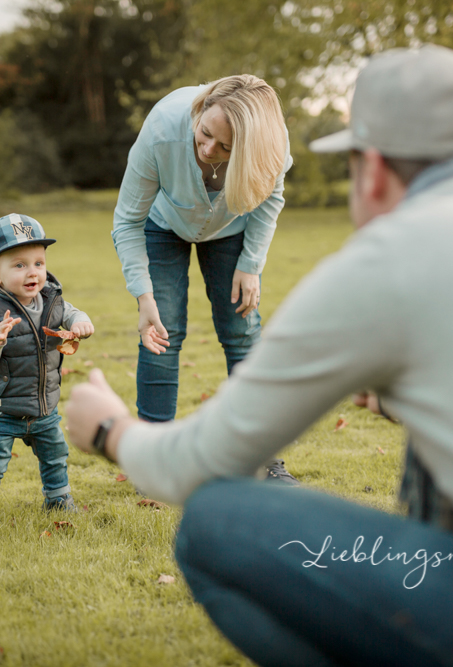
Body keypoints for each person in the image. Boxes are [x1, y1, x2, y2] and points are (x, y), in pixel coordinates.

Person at [66, 45, 453, 667]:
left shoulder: (389, 261)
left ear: (371, 169)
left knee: (216, 520)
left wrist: (110, 430)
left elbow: (201, 464)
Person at [111, 73, 298, 483]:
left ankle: (264, 458)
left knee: (242, 330)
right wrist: (144, 298)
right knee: (164, 331)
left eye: (225, 147)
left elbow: (271, 199)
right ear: (199, 112)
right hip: (163, 225)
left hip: (231, 230)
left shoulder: (272, 145)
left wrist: (251, 264)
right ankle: (152, 459)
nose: (208, 148)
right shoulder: (162, 129)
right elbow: (127, 222)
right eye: (205, 133)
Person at [0, 214, 94, 522]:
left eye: (38, 263)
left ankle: (58, 498)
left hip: (43, 405)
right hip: (1, 407)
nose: (32, 272)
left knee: (55, 455)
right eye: (19, 265)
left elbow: (72, 313)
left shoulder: (51, 298)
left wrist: (81, 323)